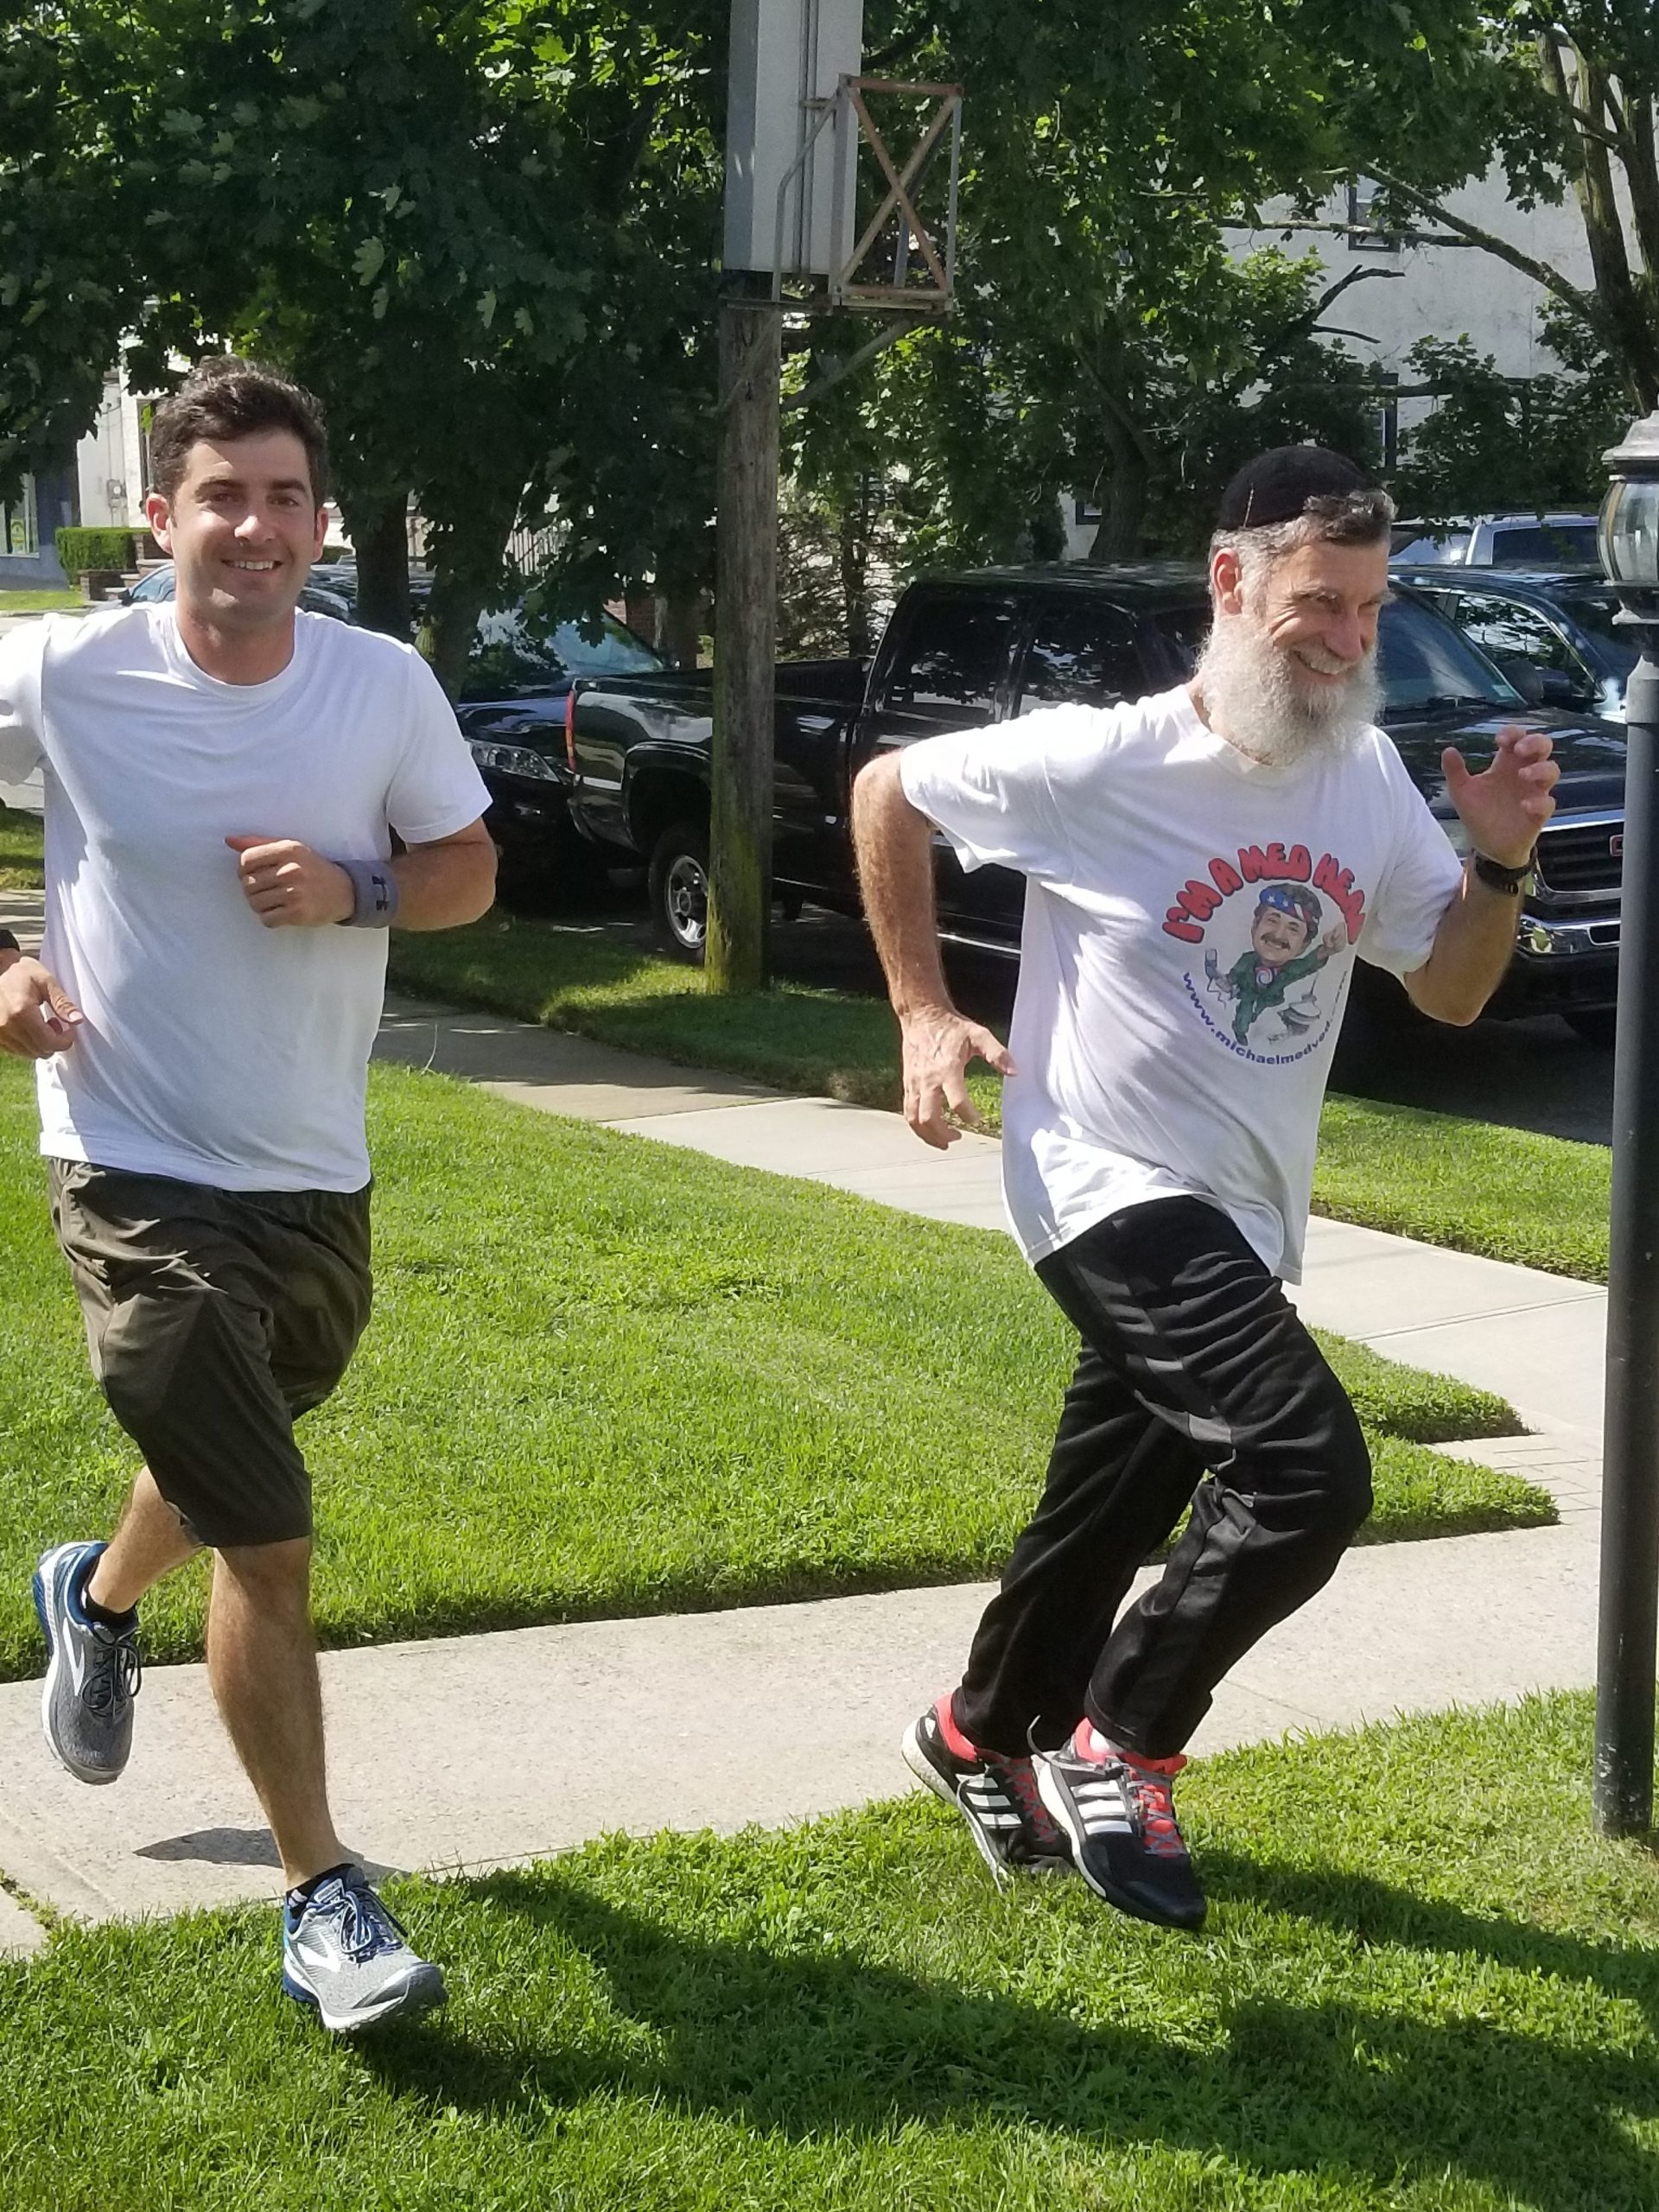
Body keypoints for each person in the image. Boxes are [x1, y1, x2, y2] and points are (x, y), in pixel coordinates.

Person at [852, 447, 1558, 1931]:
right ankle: (1122, 1740)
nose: (1353, 641)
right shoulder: (1103, 761)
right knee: (1306, 1472)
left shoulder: (1362, 775)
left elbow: (1446, 993)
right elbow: (884, 793)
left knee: (1109, 1509)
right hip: (1102, 1181)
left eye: (1371, 609)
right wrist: (922, 1010)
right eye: (1321, 606)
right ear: (1231, 585)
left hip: (1241, 1205)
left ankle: (983, 1729)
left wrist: (1497, 868)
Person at [0, 358, 496, 2030]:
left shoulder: (379, 688)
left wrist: (357, 882)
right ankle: (322, 1896)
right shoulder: (71, 671)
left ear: (320, 519)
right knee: (270, 1538)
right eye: (224, 494)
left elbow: (469, 872)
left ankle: (97, 1588)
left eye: (287, 497)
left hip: (310, 1171)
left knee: (233, 1449)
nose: (258, 527)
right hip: (128, 1154)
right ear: (163, 517)